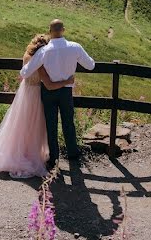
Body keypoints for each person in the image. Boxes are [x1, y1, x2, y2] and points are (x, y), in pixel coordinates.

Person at [0, 33, 74, 178]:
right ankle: (30, 154)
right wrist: (67, 81)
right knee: (33, 126)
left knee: (20, 124)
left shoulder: (26, 56)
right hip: (36, 95)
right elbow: (48, 84)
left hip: (24, 92)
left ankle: (18, 151)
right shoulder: (40, 63)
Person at [20, 19, 95, 168]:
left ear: (49, 31)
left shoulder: (44, 51)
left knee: (50, 123)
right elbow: (91, 65)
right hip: (66, 90)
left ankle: (53, 157)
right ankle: (73, 154)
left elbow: (25, 72)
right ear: (64, 30)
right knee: (68, 122)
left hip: (48, 91)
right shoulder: (75, 47)